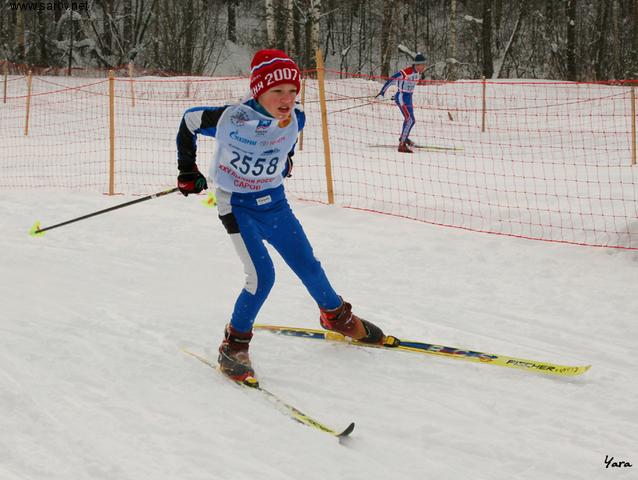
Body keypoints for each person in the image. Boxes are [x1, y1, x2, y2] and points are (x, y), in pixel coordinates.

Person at [176, 50, 398, 386]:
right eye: (278, 91)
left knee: (308, 265)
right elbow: (189, 122)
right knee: (261, 277)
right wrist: (187, 170)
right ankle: (234, 344)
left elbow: (286, 142)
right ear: (259, 91)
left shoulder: (297, 118)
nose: (287, 99)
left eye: (293, 90)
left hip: (275, 203)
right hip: (237, 206)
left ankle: (335, 317)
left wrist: (286, 160)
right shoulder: (230, 118)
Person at [376, 54, 427, 153]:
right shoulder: (407, 71)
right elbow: (391, 79)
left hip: (408, 97)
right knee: (409, 119)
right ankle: (402, 145)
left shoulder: (418, 72)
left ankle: (404, 137)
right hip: (402, 97)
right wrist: (382, 92)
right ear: (417, 64)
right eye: (423, 64)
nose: (424, 66)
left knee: (412, 120)